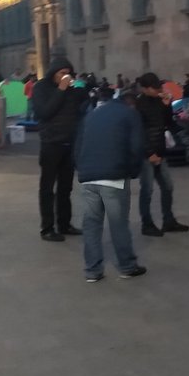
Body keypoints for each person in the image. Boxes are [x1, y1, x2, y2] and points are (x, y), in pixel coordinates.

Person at [75, 87, 148, 282]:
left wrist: (82, 168)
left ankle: (92, 271)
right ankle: (127, 266)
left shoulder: (92, 114)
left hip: (89, 177)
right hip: (114, 178)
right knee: (118, 224)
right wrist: (133, 171)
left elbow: (78, 144)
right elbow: (137, 146)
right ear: (132, 104)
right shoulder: (130, 114)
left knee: (91, 224)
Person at [31, 57, 89, 241]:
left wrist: (83, 87)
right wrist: (61, 90)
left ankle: (64, 224)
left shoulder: (71, 90)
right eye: (62, 73)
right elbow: (44, 112)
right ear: (53, 73)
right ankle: (47, 228)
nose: (65, 76)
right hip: (51, 143)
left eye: (68, 73)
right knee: (47, 187)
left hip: (69, 144)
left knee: (66, 187)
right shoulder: (41, 88)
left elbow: (83, 103)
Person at [134, 72, 189, 236]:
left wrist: (167, 106)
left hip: (160, 151)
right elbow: (138, 132)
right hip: (147, 154)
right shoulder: (138, 105)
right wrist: (149, 153)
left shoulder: (159, 101)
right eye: (154, 88)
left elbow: (167, 123)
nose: (158, 90)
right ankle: (147, 224)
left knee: (168, 186)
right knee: (147, 189)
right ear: (145, 89)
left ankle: (168, 220)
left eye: (158, 87)